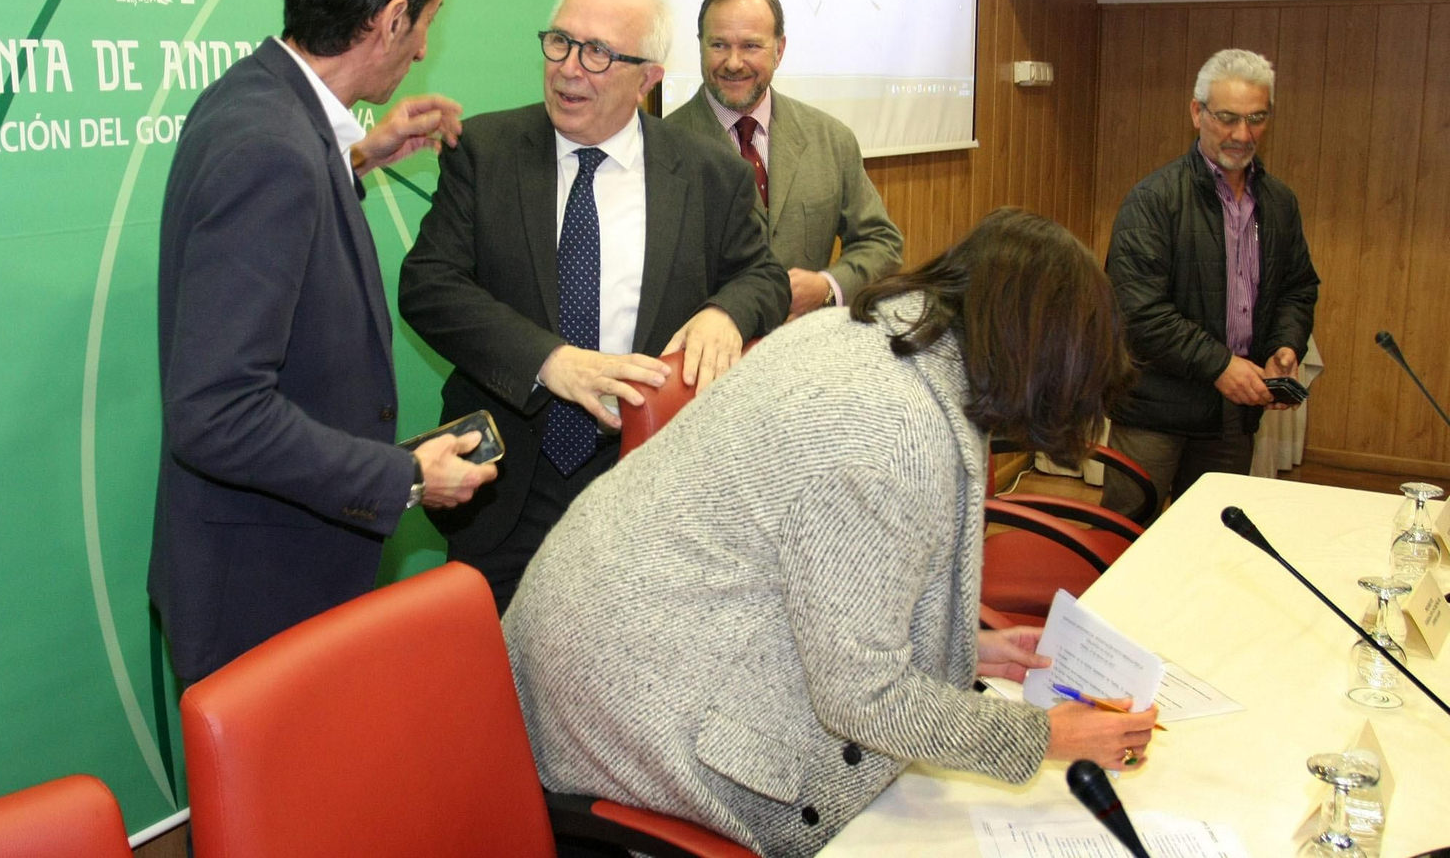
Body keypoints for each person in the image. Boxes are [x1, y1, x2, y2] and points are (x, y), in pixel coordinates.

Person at [503, 208, 1156, 857]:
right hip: (626, 698)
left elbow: (825, 568)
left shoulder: (861, 333)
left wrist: (966, 646)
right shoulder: (894, 432)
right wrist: (1043, 737)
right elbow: (863, 699)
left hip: (618, 634)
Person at [149, 0, 496, 684]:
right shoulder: (271, 147)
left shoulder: (258, 99)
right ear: (391, 16)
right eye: (427, 23)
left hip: (261, 562)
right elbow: (215, 412)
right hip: (261, 589)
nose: (421, 51)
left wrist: (366, 155)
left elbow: (278, 226)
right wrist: (405, 476)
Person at [399, 0, 789, 611]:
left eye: (600, 52)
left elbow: (765, 276)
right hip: (508, 487)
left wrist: (727, 312)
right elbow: (429, 285)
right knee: (499, 692)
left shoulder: (708, 172)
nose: (569, 67)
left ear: (650, 78)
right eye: (560, 41)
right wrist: (550, 361)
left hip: (647, 485)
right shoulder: (486, 151)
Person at [1103, 48, 1319, 521]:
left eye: (1257, 119)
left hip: (1232, 418)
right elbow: (1138, 312)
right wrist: (1221, 364)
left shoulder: (1279, 202)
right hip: (1154, 413)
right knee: (1121, 543)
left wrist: (1285, 345)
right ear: (1197, 112)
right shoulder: (1153, 201)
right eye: (1228, 118)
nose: (1243, 134)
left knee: (1212, 544)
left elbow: (1297, 288)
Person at [665, 0, 903, 317]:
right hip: (707, 361)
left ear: (779, 50)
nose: (733, 63)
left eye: (750, 46)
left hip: (806, 352)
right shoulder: (662, 148)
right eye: (718, 45)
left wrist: (828, 287)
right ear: (700, 46)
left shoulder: (831, 140)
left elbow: (882, 243)